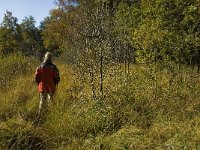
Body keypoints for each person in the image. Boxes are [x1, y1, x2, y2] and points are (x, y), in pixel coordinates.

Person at [35, 52, 60, 116]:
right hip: (51, 86)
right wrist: (55, 83)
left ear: (45, 57)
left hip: (42, 86)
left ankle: (39, 115)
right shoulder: (54, 67)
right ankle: (51, 115)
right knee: (51, 101)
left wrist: (39, 83)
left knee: (42, 101)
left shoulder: (40, 66)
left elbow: (36, 76)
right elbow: (57, 77)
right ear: (51, 58)